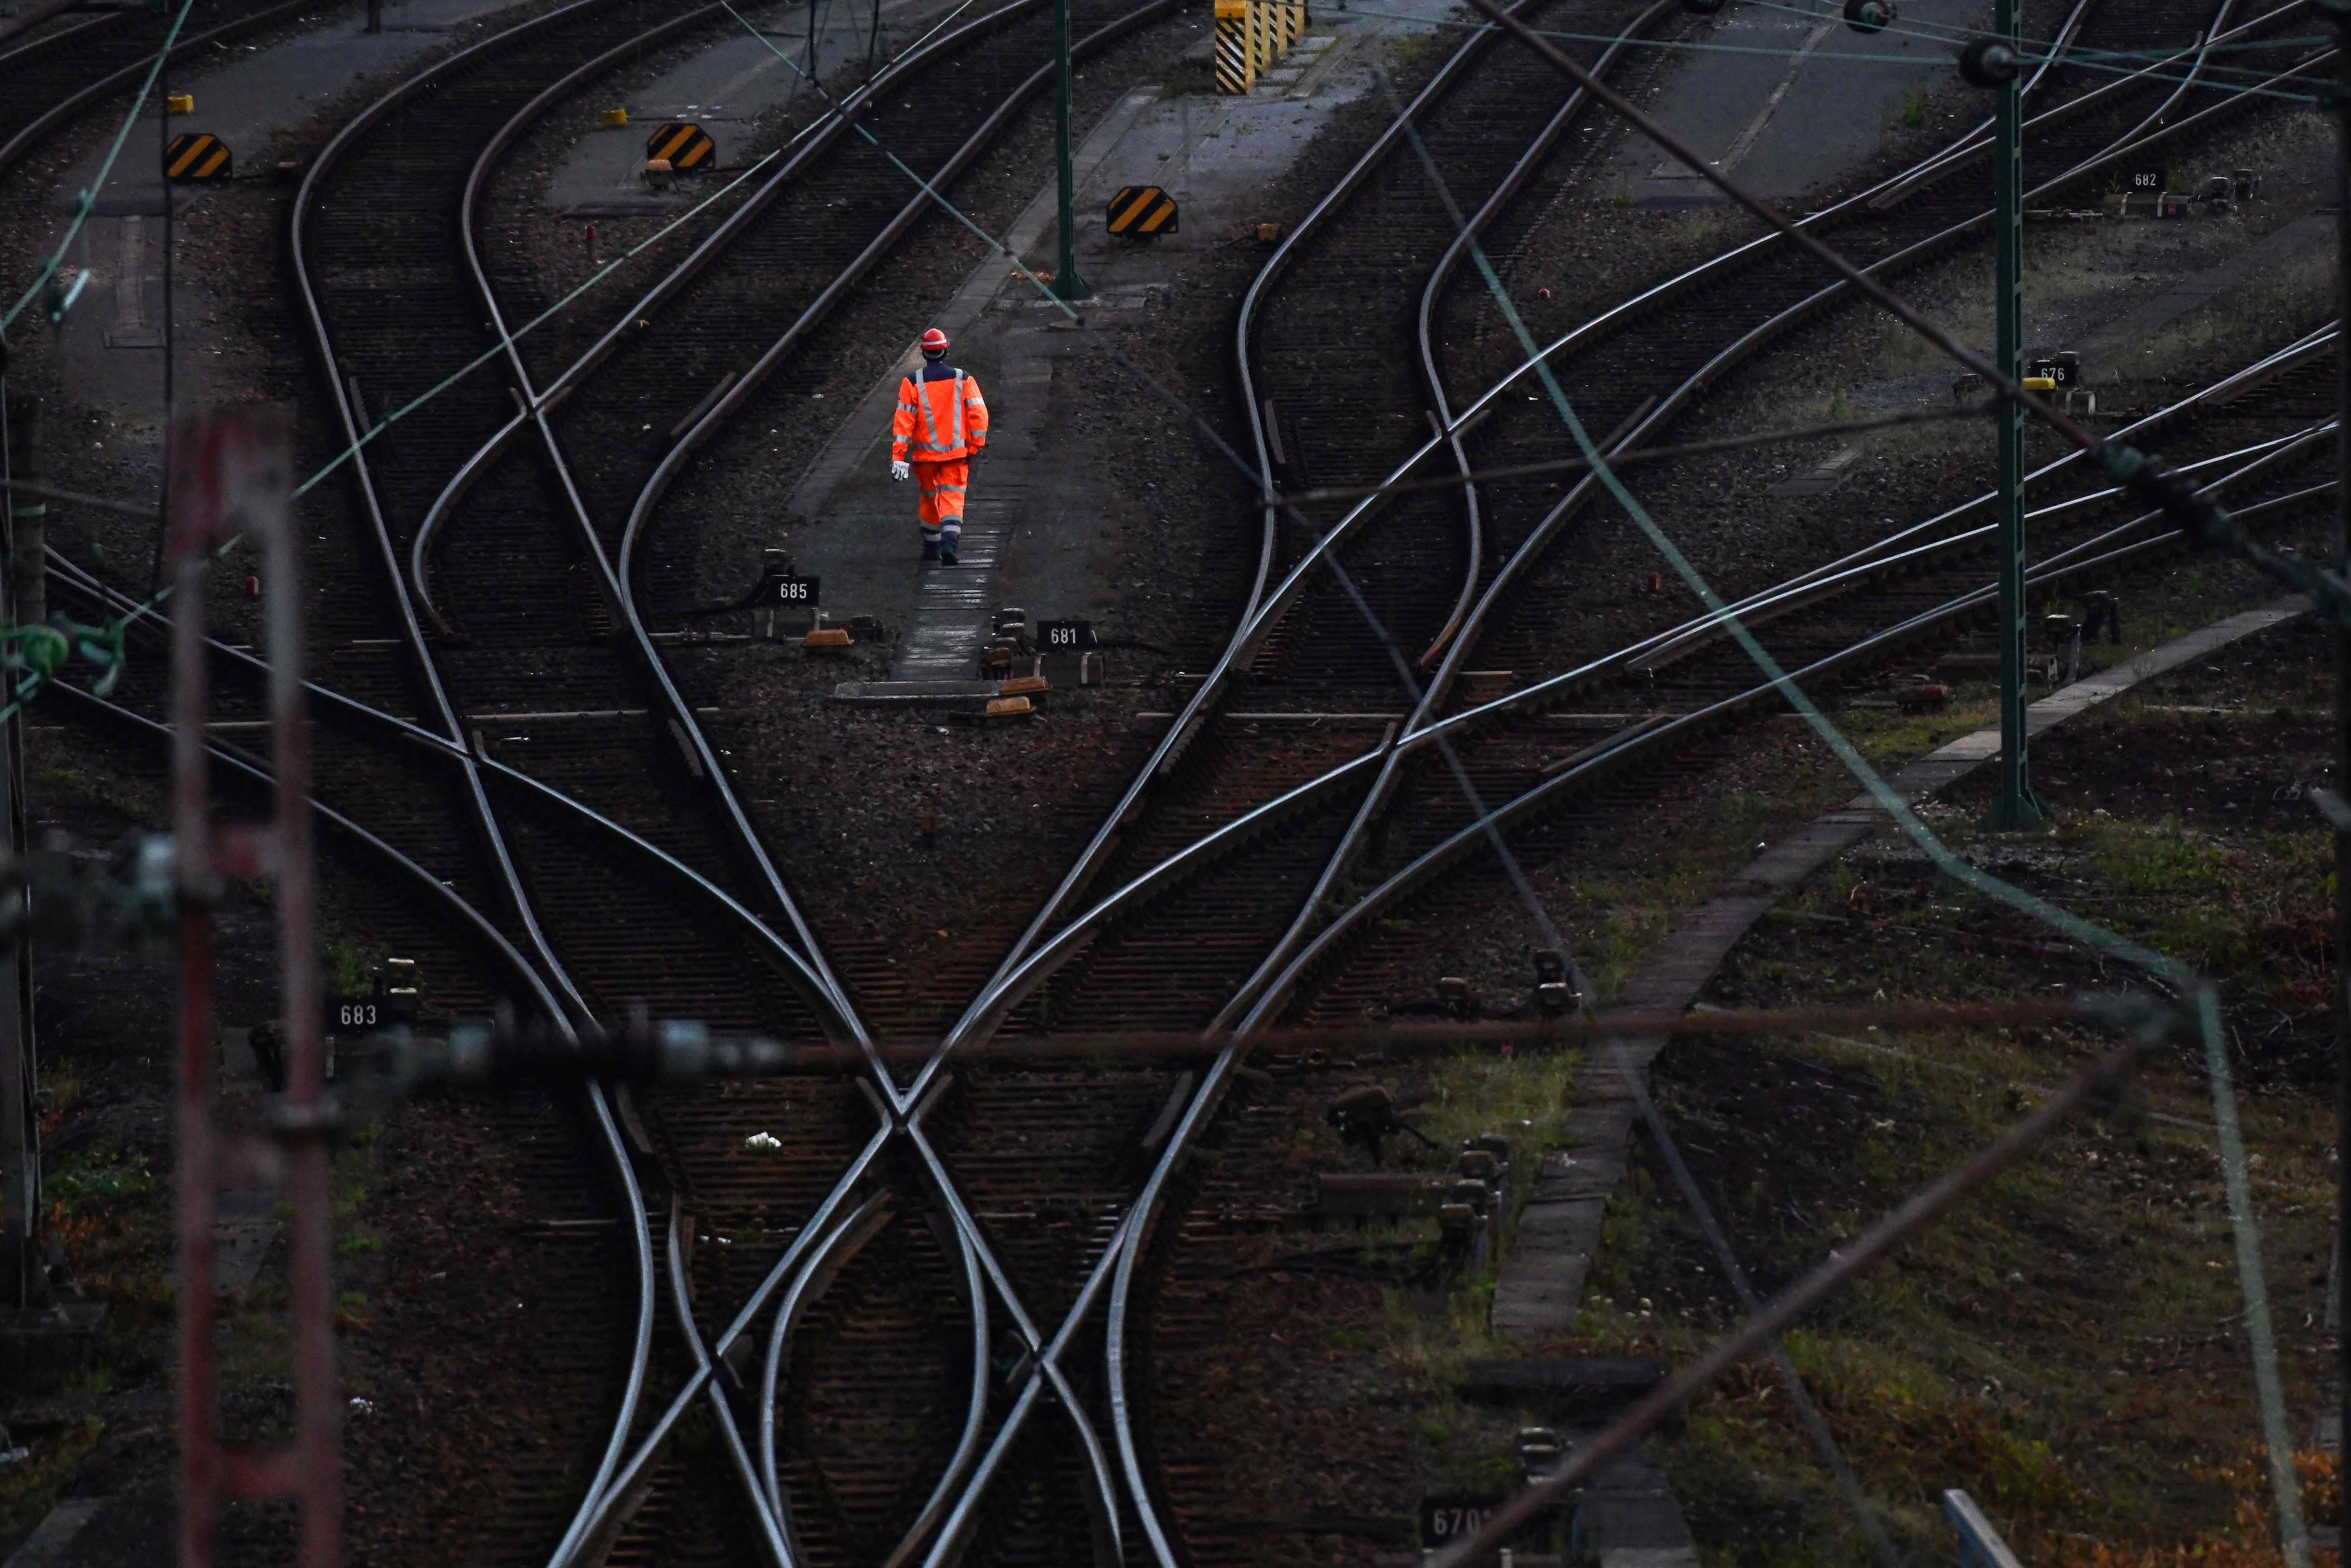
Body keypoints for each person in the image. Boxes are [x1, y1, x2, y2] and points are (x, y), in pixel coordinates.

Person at [890, 327, 988, 564]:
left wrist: (898, 457)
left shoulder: (912, 382)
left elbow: (904, 422)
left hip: (925, 459)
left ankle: (932, 549)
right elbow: (979, 414)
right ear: (945, 350)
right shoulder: (963, 379)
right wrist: (975, 446)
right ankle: (949, 545)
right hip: (956, 456)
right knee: (953, 500)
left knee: (929, 499)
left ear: (924, 353)